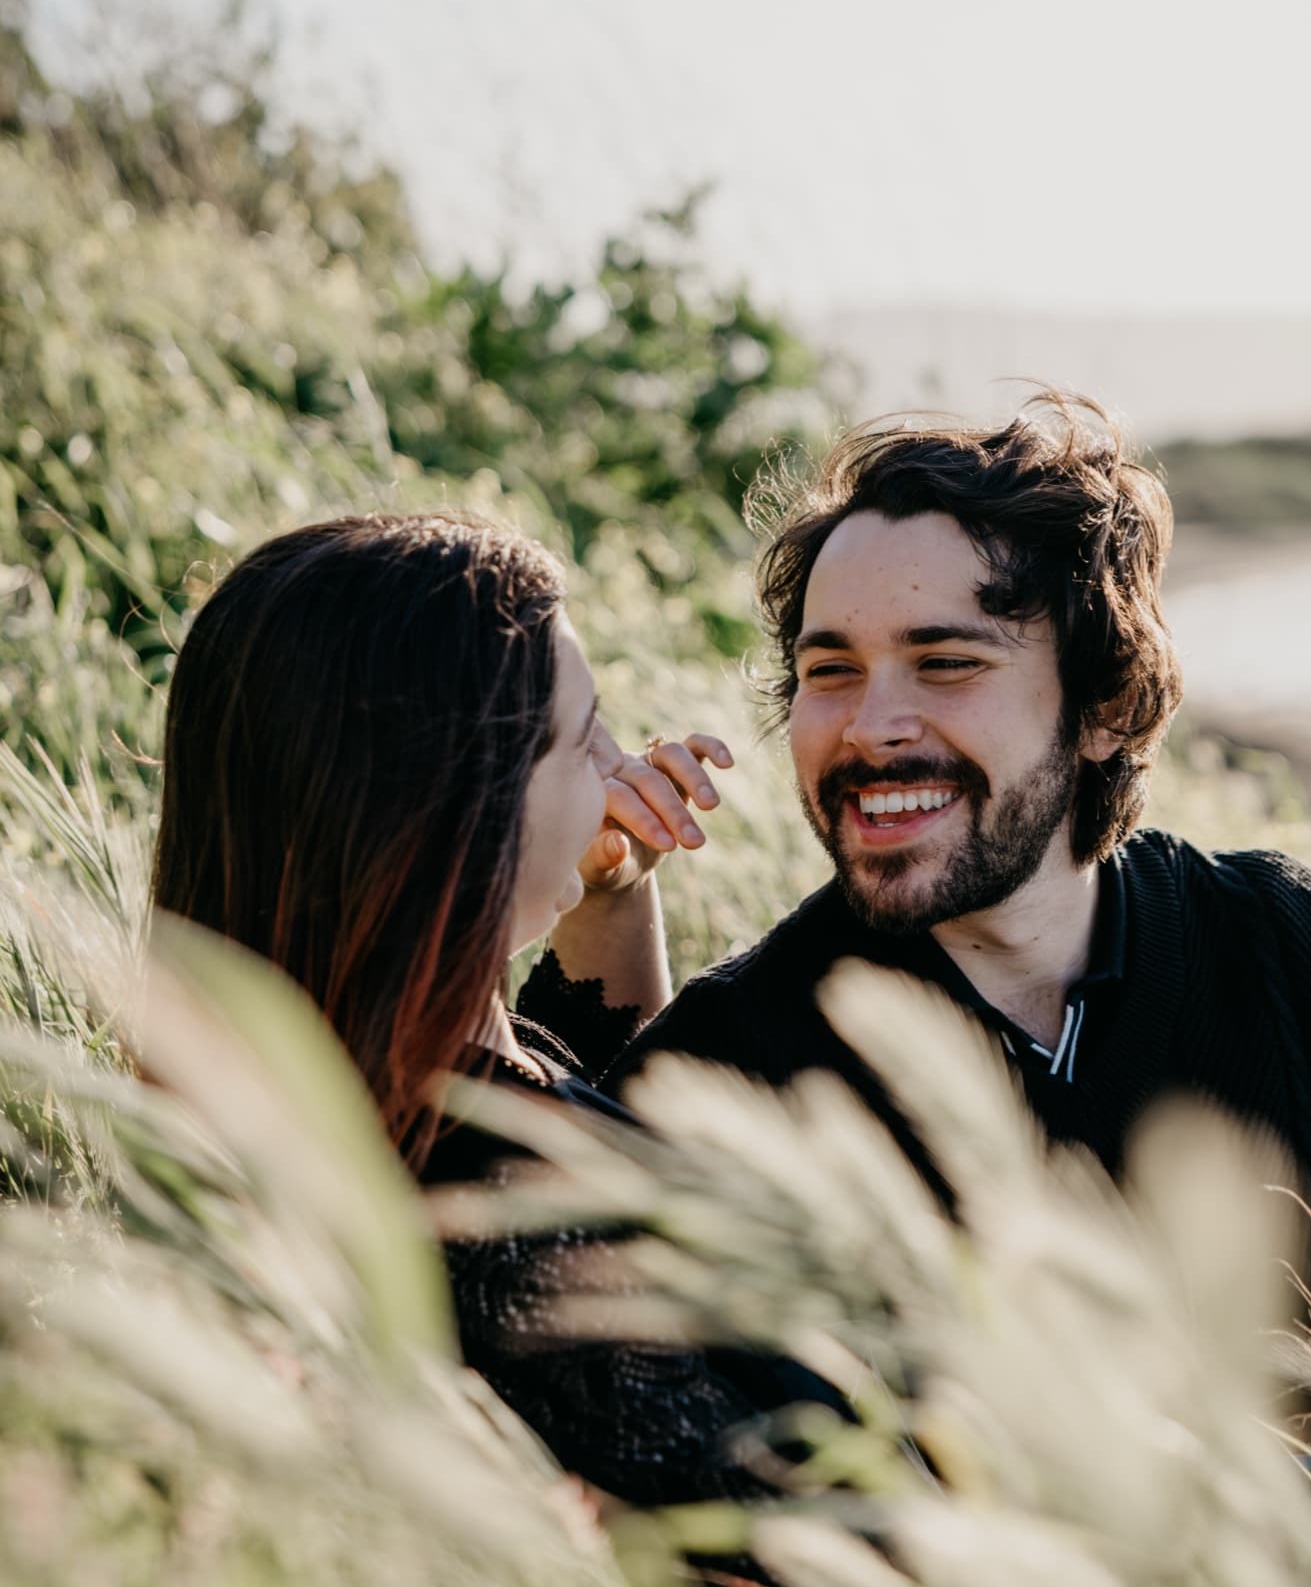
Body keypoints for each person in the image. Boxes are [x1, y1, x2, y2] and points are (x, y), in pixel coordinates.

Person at [572, 393, 1311, 1587]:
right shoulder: (735, 1062)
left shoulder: (1298, 958)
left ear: (1106, 707)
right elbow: (542, 1283)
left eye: (946, 662)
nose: (870, 725)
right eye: (828, 672)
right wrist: (605, 904)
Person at [150, 508, 823, 1510]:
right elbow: (774, 1561)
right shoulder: (513, 1247)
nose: (618, 769)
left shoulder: (367, 1076)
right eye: (581, 737)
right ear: (464, 803)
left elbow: (585, 1090)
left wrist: (609, 888)